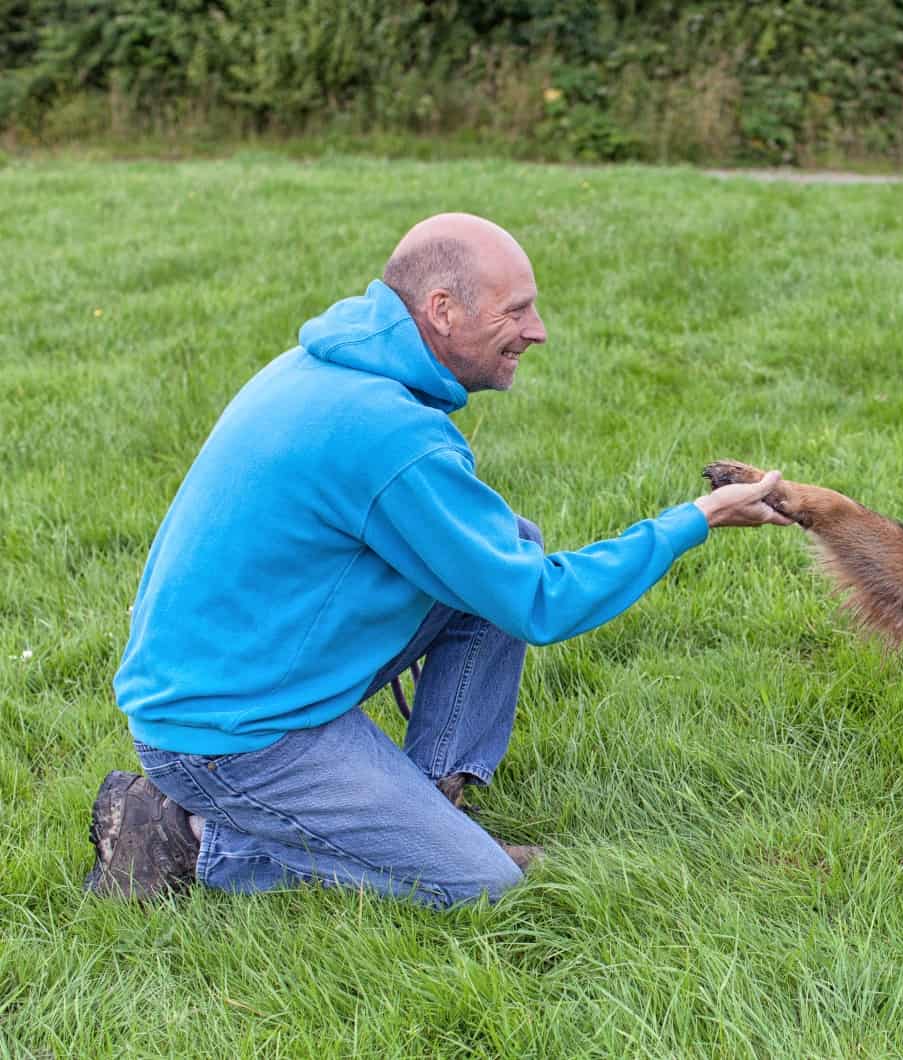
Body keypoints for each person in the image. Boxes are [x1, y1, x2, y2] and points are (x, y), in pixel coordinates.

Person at [86, 213, 788, 908]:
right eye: (517, 311)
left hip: (251, 676)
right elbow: (540, 604)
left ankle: (431, 798)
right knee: (480, 884)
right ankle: (183, 832)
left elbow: (503, 572)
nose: (537, 330)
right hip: (230, 734)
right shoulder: (387, 433)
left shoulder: (333, 367)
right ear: (442, 311)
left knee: (506, 544)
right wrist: (695, 520)